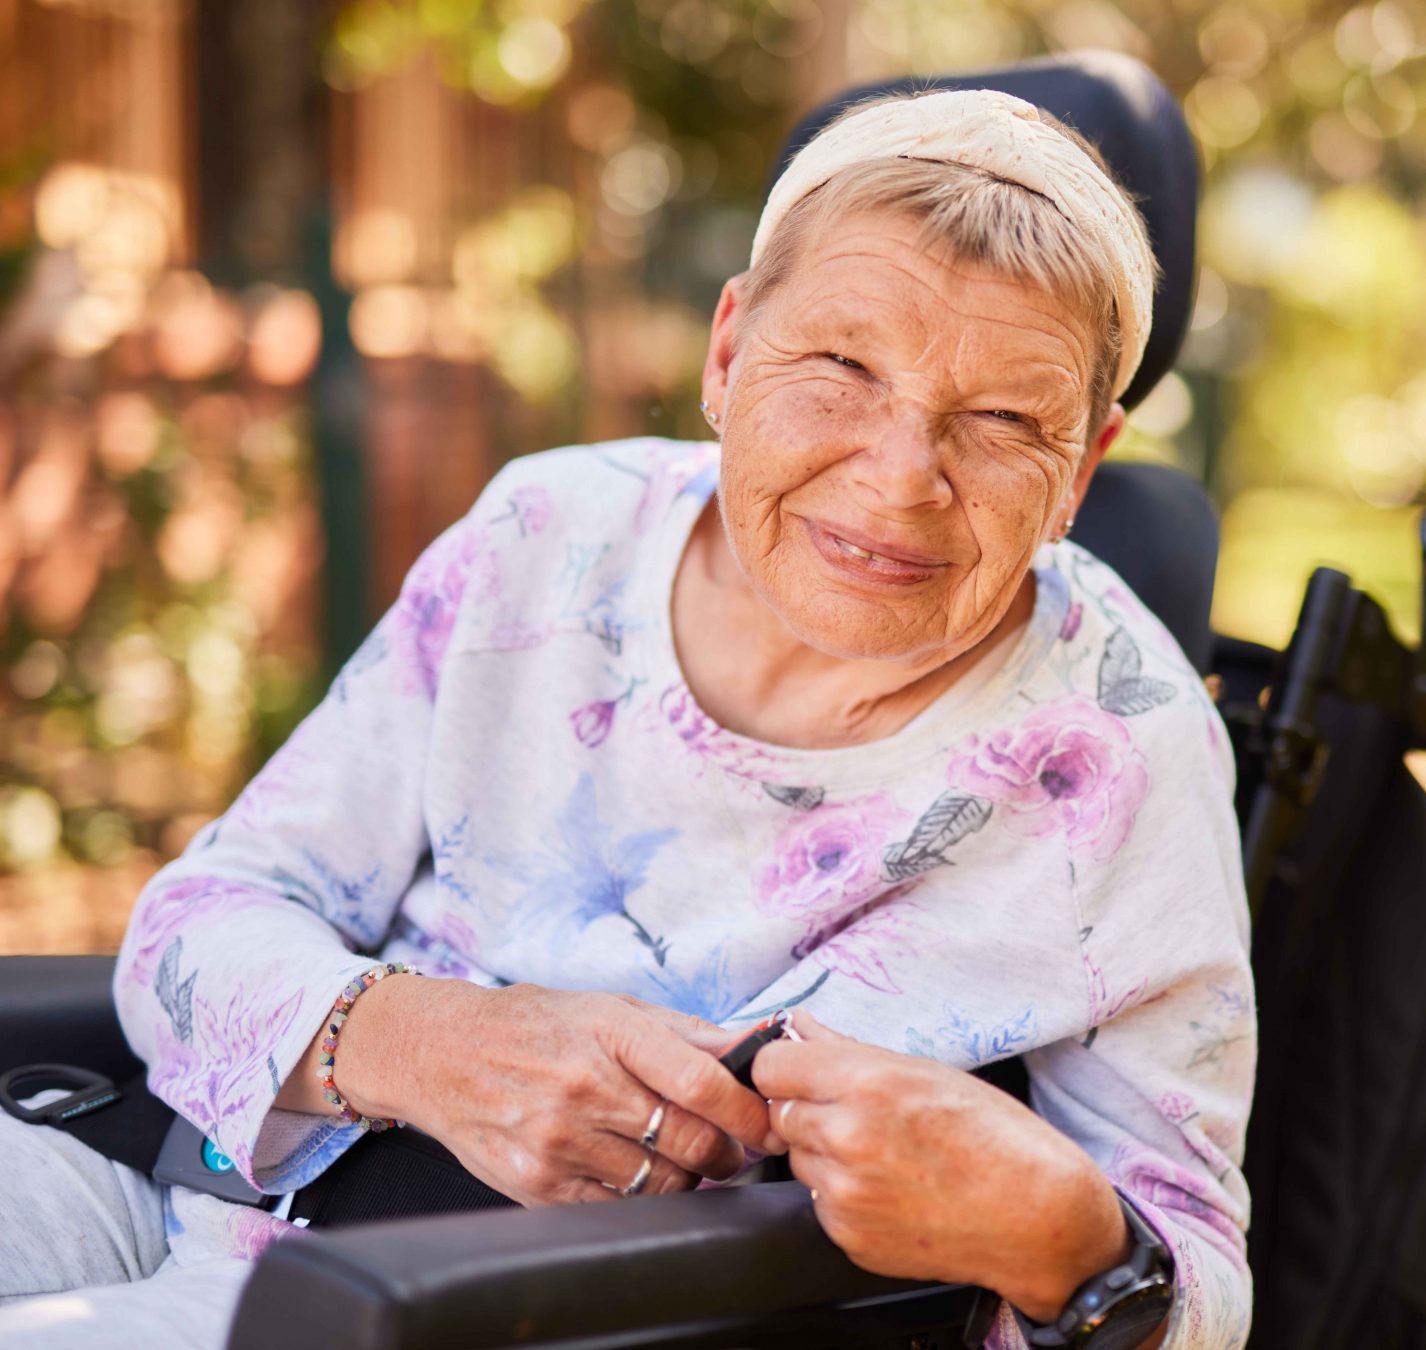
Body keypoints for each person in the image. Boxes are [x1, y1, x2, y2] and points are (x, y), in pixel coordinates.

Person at [0, 88, 1255, 1350]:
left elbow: (1195, 1280)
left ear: (1083, 468)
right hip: (161, 1178)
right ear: (726, 354)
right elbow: (199, 923)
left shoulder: (1115, 749)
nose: (898, 475)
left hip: (506, 1311)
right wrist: (414, 1042)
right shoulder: (545, 539)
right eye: (839, 366)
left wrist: (1059, 1238)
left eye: (1001, 422)